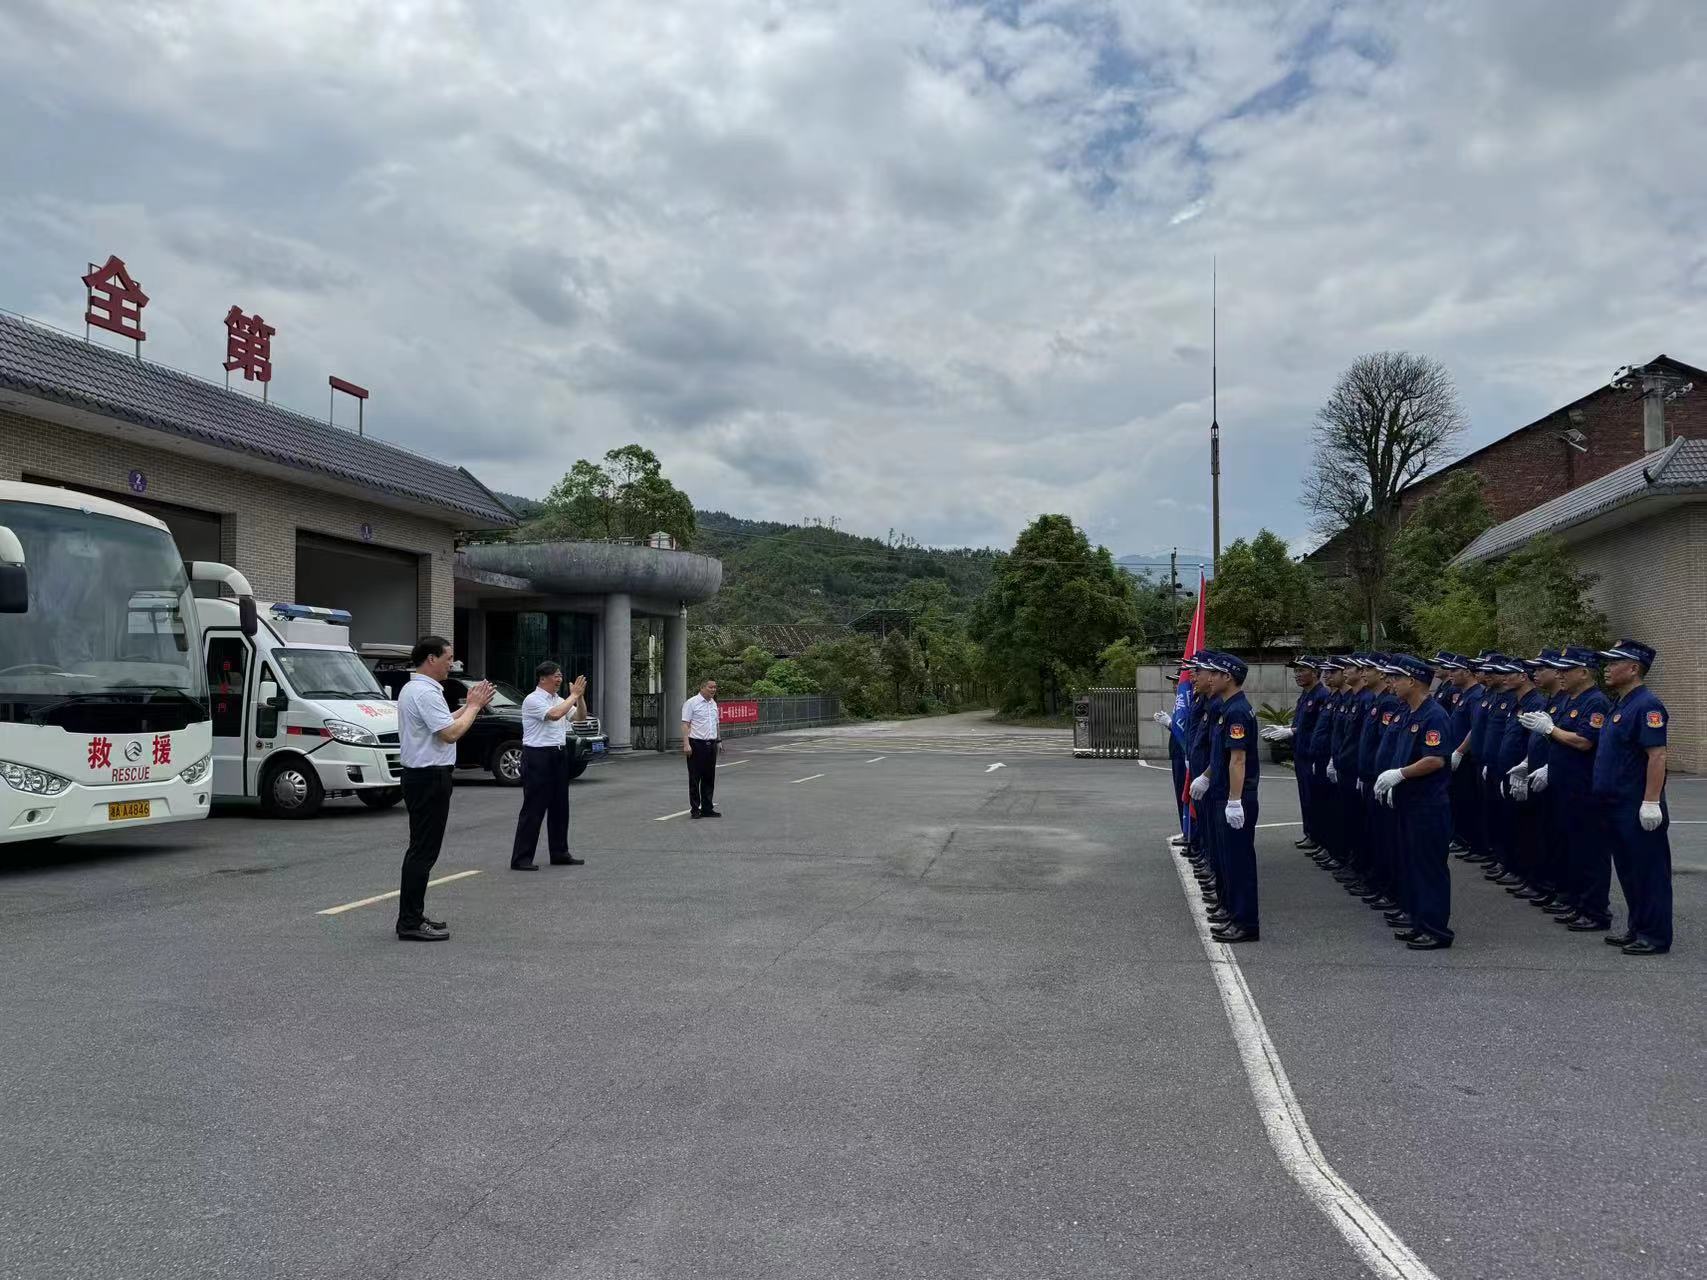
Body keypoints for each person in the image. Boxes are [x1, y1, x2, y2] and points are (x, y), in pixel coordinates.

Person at [395, 636, 493, 941]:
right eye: (448, 657)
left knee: (421, 850)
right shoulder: (425, 693)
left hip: (422, 776)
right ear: (430, 659)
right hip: (428, 777)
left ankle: (413, 915)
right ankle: (409, 922)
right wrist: (474, 707)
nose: (452, 663)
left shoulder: (417, 689)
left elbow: (442, 722)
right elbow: (450, 734)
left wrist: (468, 707)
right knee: (423, 852)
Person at [1589, 640, 1672, 955]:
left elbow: (1657, 756)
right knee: (1629, 870)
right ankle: (1638, 927)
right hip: (1615, 803)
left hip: (1636, 804)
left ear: (1634, 668)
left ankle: (1655, 935)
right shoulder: (1620, 704)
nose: (1607, 668)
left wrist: (1651, 801)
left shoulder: (1647, 705)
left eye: (1614, 662)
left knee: (1648, 871)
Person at [1523, 646, 1612, 932]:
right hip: (1565, 787)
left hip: (1583, 789)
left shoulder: (1595, 702)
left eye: (1566, 670)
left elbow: (1584, 741)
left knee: (1590, 852)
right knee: (1572, 849)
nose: (1560, 675)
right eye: (1558, 670)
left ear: (1584, 672)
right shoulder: (1571, 699)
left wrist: (1550, 730)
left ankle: (1595, 911)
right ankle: (1577, 902)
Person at [1372, 654, 1455, 949]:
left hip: (1428, 805)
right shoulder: (1408, 711)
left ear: (1413, 680)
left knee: (1428, 867)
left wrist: (1400, 774)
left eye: (1395, 678)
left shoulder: (1433, 715)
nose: (1390, 683)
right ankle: (1418, 920)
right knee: (1411, 865)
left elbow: (1434, 759)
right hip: (1410, 803)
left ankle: (1435, 930)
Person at [1203, 653, 1260, 943]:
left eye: (1214, 673)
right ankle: (1232, 912)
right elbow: (1222, 756)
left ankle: (1245, 922)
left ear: (1228, 677)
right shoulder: (1228, 708)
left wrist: (1235, 801)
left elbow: (1238, 760)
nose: (1209, 678)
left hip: (1236, 797)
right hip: (1224, 793)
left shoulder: (1237, 711)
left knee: (1239, 863)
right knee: (1228, 860)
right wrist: (1206, 777)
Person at [510, 662, 589, 870]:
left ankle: (560, 852)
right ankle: (522, 858)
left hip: (558, 754)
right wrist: (573, 695)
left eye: (561, 675)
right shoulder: (533, 700)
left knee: (560, 807)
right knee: (534, 808)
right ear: (542, 678)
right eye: (556, 675)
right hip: (538, 756)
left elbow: (579, 717)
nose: (559, 679)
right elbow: (554, 715)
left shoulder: (560, 699)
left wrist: (579, 697)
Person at [682, 677, 723, 818]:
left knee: (709, 778)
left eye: (715, 687)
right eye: (710, 687)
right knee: (695, 778)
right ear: (702, 688)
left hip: (711, 744)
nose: (713, 690)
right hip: (696, 744)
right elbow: (685, 724)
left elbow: (716, 723)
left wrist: (718, 741)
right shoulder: (691, 703)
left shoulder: (713, 704)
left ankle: (707, 808)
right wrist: (686, 744)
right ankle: (695, 809)